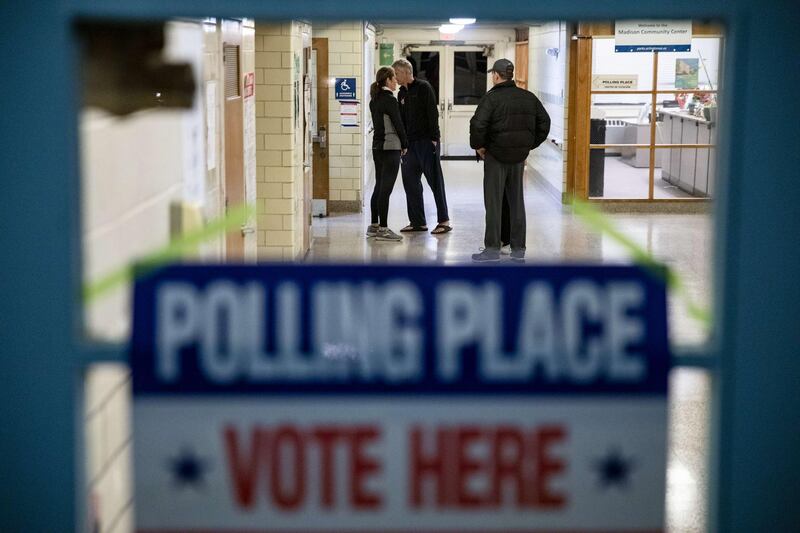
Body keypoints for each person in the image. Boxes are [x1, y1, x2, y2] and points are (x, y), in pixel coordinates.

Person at [469, 58, 550, 262]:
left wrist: (479, 147)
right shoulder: (528, 97)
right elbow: (545, 123)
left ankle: (492, 249)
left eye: (492, 75)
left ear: (496, 75)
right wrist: (528, 145)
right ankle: (518, 249)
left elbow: (478, 125)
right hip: (518, 159)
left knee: (494, 203)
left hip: (495, 157)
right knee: (517, 203)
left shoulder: (491, 99)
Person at [391, 58, 452, 235]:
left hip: (426, 142)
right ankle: (418, 221)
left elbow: (432, 113)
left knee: (435, 182)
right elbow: (401, 120)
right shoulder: (401, 93)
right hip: (409, 146)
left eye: (396, 74)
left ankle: (444, 220)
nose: (395, 78)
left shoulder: (424, 87)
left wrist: (434, 138)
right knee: (411, 184)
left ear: (405, 72)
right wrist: (402, 143)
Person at [368, 66, 408, 242]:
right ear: (388, 80)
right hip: (391, 147)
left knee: (379, 186)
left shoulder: (374, 99)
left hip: (377, 147)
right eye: (394, 79)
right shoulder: (389, 100)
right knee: (386, 189)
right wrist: (405, 144)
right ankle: (384, 229)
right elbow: (398, 123)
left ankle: (374, 225)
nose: (396, 83)